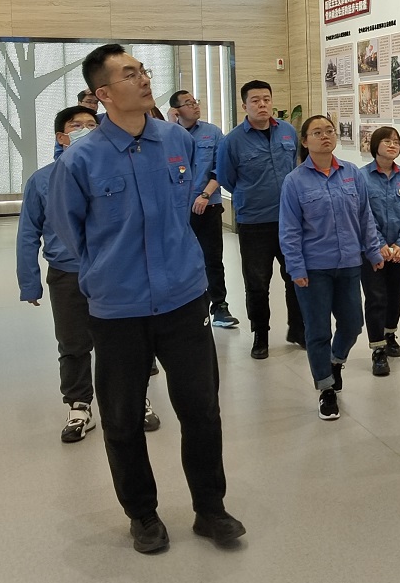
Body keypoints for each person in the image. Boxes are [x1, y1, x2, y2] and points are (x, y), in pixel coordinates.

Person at [49, 44, 243, 555]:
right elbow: (70, 233)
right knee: (122, 416)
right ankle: (143, 515)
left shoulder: (176, 140)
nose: (144, 79)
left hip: (184, 299)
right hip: (118, 308)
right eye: (130, 74)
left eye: (143, 70)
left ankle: (210, 509)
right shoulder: (80, 159)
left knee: (201, 409)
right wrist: (107, 272)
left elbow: (183, 208)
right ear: (104, 94)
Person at [17, 105, 160, 442]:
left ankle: (135, 399)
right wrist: (29, 282)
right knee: (73, 343)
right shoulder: (42, 180)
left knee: (125, 340)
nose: (85, 129)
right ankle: (79, 405)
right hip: (67, 273)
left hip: (115, 271)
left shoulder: (119, 171)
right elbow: (28, 233)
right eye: (76, 125)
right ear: (61, 137)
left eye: (91, 124)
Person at [279, 115, 384, 420]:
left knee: (352, 324)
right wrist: (296, 267)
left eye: (329, 131)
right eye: (317, 132)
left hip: (349, 263)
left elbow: (365, 216)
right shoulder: (294, 181)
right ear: (305, 141)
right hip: (314, 268)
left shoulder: (351, 174)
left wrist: (373, 250)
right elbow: (289, 230)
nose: (325, 136)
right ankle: (326, 388)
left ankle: (335, 362)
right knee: (318, 330)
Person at [217, 80, 304, 359]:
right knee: (257, 282)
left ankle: (298, 329)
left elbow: (296, 167)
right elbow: (226, 178)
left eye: (266, 99)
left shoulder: (288, 132)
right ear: (244, 105)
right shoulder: (232, 141)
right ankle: (261, 334)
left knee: (296, 276)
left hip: (290, 219)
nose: (262, 104)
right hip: (254, 221)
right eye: (255, 100)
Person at [170, 89, 238, 330]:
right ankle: (182, 307)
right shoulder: (167, 135)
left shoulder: (212, 133)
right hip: (177, 208)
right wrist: (171, 125)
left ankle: (219, 306)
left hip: (208, 204)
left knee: (212, 258)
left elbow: (220, 168)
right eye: (188, 103)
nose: (195, 106)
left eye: (195, 102)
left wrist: (205, 195)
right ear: (176, 111)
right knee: (178, 259)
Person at [361, 126, 400, 377]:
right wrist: (378, 244)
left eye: (396, 142)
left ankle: (390, 334)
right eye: (387, 141)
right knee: (376, 297)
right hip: (372, 250)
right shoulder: (361, 177)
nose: (392, 145)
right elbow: (363, 215)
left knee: (395, 295)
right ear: (375, 145)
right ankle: (378, 349)